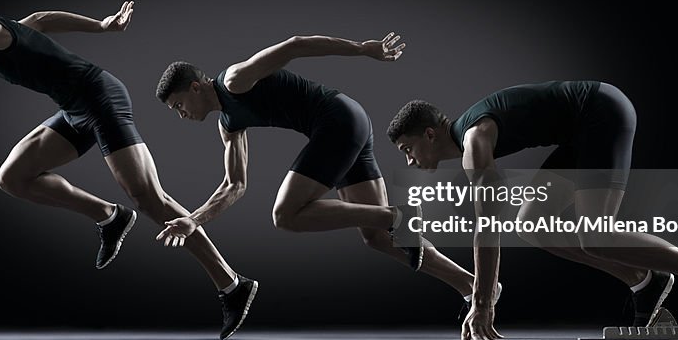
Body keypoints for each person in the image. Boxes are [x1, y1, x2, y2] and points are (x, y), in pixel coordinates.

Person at [0, 1, 256, 340]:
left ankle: (232, 285)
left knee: (150, 198)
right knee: (12, 177)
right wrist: (100, 24)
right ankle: (110, 217)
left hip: (100, 97)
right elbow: (42, 21)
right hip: (75, 110)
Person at [154, 33, 498, 322]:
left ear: (196, 87)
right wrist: (192, 220)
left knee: (285, 215)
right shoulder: (229, 126)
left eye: (178, 104)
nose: (180, 114)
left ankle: (394, 215)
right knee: (378, 238)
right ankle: (475, 285)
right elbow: (235, 185)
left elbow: (295, 45)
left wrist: (364, 49)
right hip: (350, 124)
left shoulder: (235, 80)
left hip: (337, 120)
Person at [386, 81, 678, 340]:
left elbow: (487, 225)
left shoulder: (475, 140)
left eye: (408, 148)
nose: (409, 159)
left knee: (595, 232)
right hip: (578, 132)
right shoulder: (471, 136)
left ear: (430, 135)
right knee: (532, 226)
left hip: (600, 111)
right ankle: (644, 280)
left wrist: (482, 302)